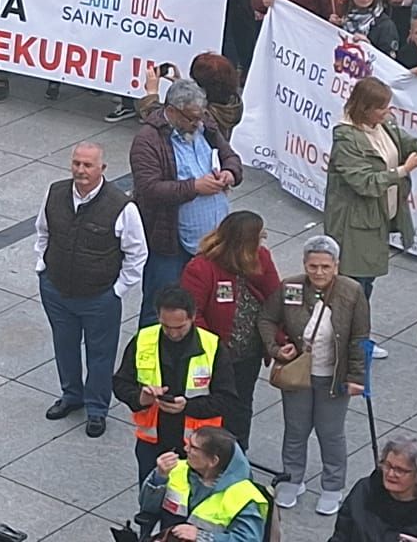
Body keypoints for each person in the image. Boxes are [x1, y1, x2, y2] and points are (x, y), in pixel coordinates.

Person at [36, 142, 146, 438]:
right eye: (76, 163)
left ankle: (97, 409)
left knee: (100, 354)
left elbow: (137, 254)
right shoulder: (55, 193)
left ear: (102, 169)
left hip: (100, 297)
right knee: (64, 344)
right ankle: (71, 396)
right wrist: (42, 268)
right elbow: (43, 231)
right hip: (57, 289)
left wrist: (118, 290)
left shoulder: (122, 207)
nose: (81, 170)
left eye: (87, 165)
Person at [262, 235, 372, 514]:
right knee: (295, 430)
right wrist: (276, 349)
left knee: (331, 432)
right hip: (299, 373)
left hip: (334, 376)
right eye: (313, 266)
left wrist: (357, 377)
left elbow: (360, 337)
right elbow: (266, 317)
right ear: (305, 264)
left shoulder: (352, 291)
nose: (319, 272)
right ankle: (291, 478)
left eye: (325, 266)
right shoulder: (291, 286)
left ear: (336, 265)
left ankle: (333, 486)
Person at [131, 78, 242, 325]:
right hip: (171, 245)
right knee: (160, 307)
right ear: (171, 111)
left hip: (214, 241)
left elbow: (230, 156)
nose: (197, 123)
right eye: (191, 118)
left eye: (200, 116)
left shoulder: (205, 125)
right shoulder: (148, 140)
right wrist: (194, 187)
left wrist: (230, 173)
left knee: (208, 306)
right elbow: (149, 189)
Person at [325, 75, 417, 300]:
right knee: (356, 284)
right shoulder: (346, 139)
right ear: (364, 108)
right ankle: (353, 329)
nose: (387, 112)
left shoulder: (384, 124)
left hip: (377, 216)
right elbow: (364, 182)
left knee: (368, 277)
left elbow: (403, 143)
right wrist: (403, 170)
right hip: (354, 223)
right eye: (381, 107)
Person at [178, 211, 280, 446]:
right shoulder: (201, 268)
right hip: (217, 354)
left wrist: (278, 340)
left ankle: (237, 451)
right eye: (257, 236)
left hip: (250, 352)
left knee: (242, 403)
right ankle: (210, 449)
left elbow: (275, 298)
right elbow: (194, 313)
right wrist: (215, 350)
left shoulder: (261, 257)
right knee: (217, 404)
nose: (262, 239)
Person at [114, 285, 236, 480]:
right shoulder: (144, 340)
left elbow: (227, 399)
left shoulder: (212, 347)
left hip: (197, 448)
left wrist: (188, 406)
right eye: (166, 326)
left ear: (192, 317)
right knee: (151, 497)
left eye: (180, 327)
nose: (173, 333)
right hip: (153, 443)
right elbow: (120, 383)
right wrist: (140, 398)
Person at [138, 425, 267, 542]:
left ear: (213, 461)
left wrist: (202, 537)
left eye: (193, 447)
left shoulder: (243, 497)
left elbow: (249, 539)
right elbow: (147, 508)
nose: (185, 448)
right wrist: (159, 478)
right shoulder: (175, 470)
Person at [328, 435, 417, 542]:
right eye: (387, 465)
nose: (390, 474)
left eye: (400, 470)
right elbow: (341, 535)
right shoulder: (365, 491)